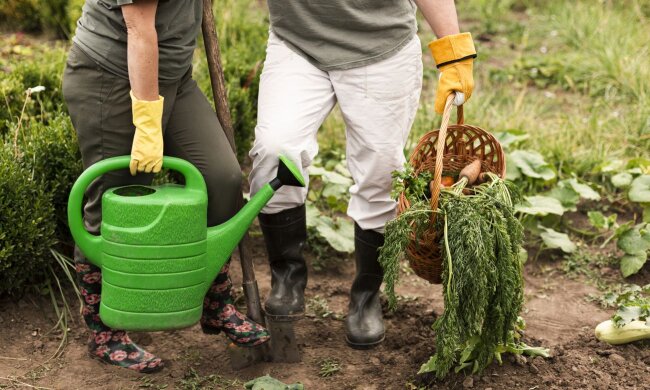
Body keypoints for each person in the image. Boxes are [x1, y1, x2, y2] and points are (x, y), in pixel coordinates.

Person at [249, 0, 476, 349]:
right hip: (298, 42)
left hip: (382, 48)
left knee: (381, 171)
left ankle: (366, 296)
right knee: (275, 149)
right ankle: (287, 275)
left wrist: (454, 52)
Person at [62, 0, 269, 373]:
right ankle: (104, 332)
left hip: (172, 76)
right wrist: (146, 122)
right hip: (112, 74)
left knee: (220, 179)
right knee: (117, 199)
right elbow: (139, 27)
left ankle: (213, 302)